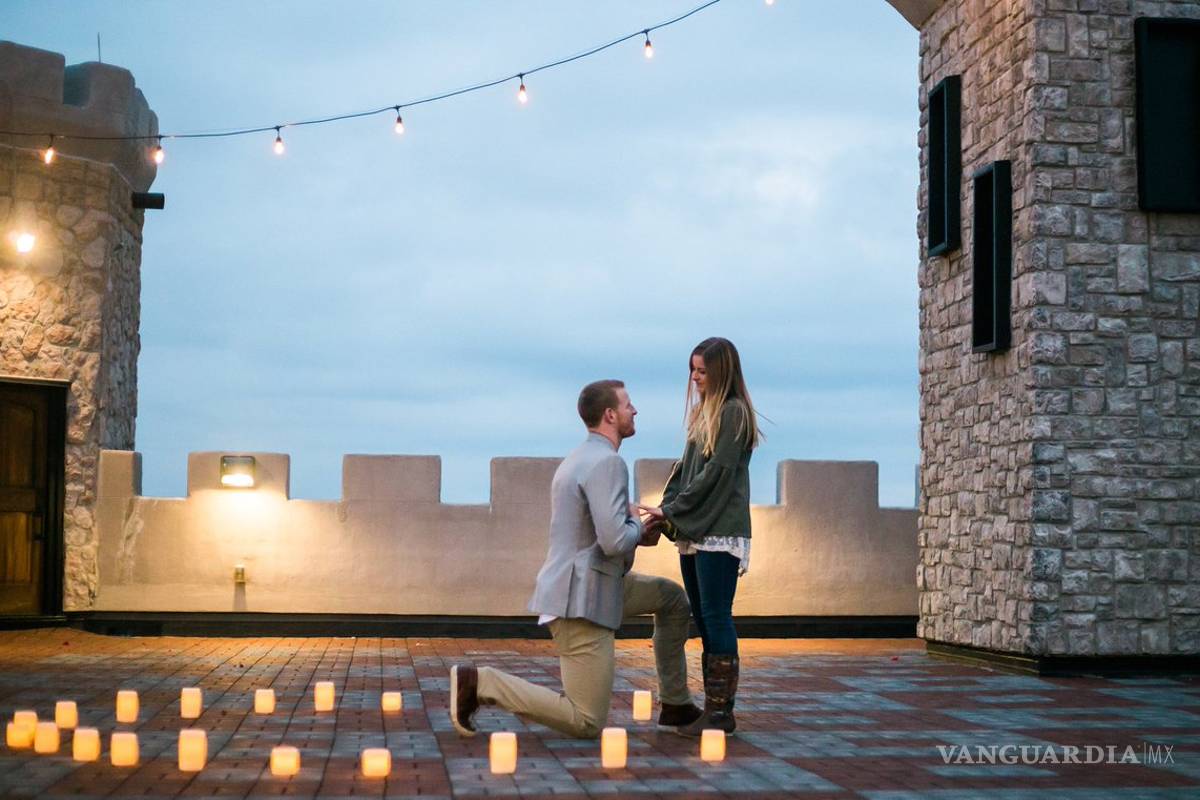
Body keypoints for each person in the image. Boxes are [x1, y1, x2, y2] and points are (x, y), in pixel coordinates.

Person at [448, 379, 702, 739]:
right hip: (581, 599)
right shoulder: (607, 464)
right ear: (610, 415)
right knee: (586, 720)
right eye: (628, 405)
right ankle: (482, 683)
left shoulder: (581, 458)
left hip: (597, 582)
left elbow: (599, 536)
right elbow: (614, 541)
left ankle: (676, 703)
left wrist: (634, 535)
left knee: (673, 600)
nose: (635, 410)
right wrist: (635, 524)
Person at [639, 337, 759, 736]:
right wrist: (667, 511)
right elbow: (685, 469)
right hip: (696, 532)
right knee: (703, 619)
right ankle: (713, 710)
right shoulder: (701, 413)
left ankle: (722, 713)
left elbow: (717, 475)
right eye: (692, 369)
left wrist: (674, 511)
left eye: (702, 370)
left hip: (720, 531)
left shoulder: (734, 413)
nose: (695, 377)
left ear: (721, 371)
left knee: (715, 615)